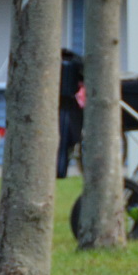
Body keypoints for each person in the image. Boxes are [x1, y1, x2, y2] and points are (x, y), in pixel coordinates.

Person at [56, 48, 84, 179]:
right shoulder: (76, 63)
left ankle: (59, 170)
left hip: (58, 106)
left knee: (61, 142)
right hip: (71, 107)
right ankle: (61, 170)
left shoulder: (57, 64)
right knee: (65, 142)